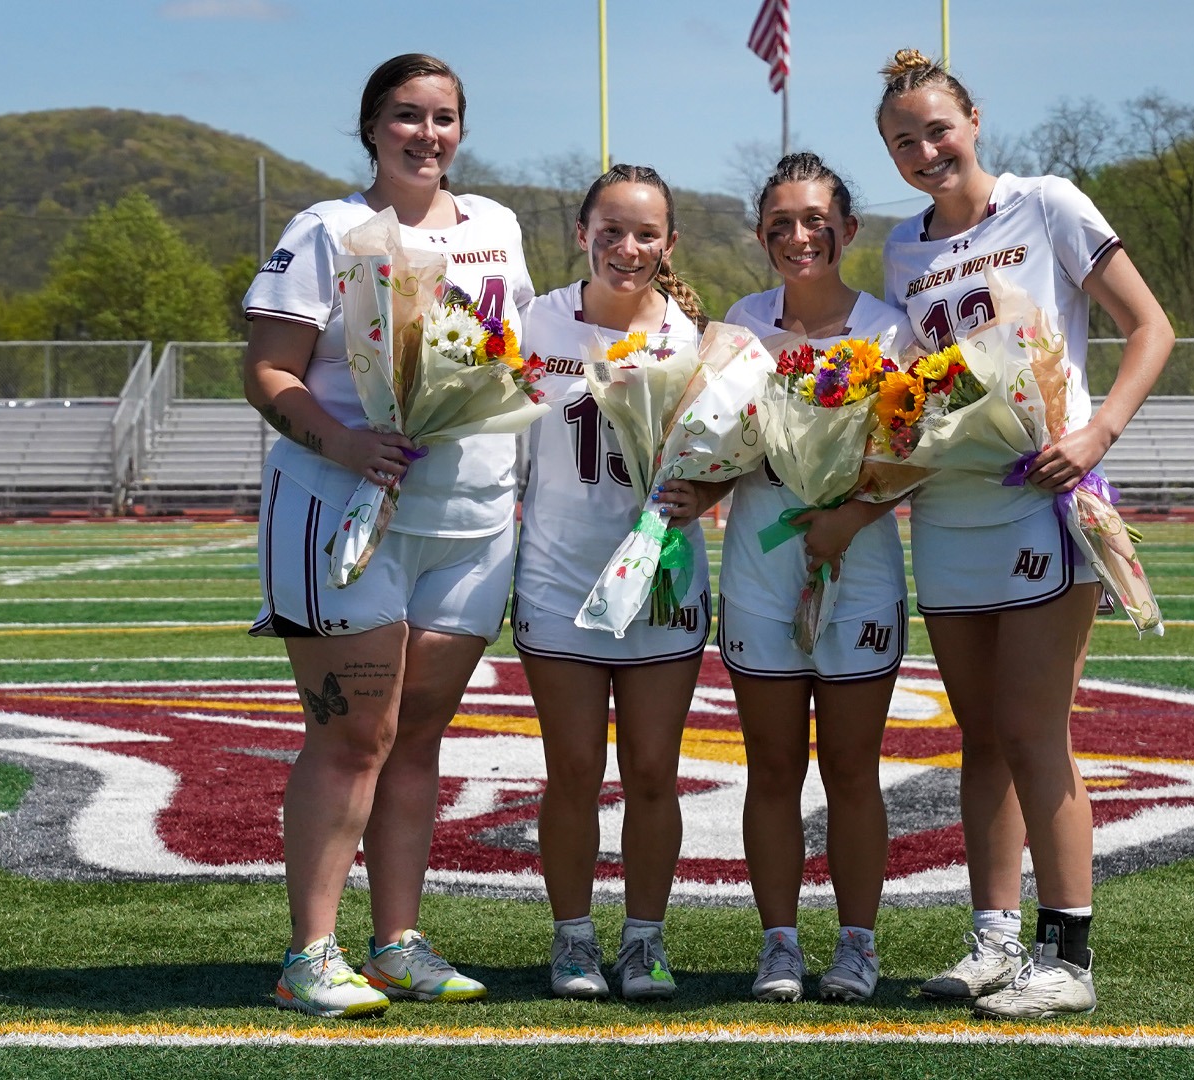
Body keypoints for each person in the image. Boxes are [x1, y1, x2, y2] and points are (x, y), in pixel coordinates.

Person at [873, 48, 1174, 1019]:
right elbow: (920, 389)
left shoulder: (1047, 203)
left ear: (974, 119)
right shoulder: (898, 251)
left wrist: (1095, 431)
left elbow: (1152, 328)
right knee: (983, 738)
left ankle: (1071, 955)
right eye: (903, 141)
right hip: (950, 515)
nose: (926, 150)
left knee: (1038, 731)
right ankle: (996, 939)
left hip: (1046, 498)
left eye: (937, 128)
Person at [242, 53, 534, 1017]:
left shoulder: (496, 226)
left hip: (472, 519)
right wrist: (347, 442)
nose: (427, 134)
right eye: (406, 116)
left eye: (444, 117)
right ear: (371, 126)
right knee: (353, 737)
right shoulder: (327, 230)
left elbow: (506, 365)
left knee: (418, 737)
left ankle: (399, 940)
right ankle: (309, 954)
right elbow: (270, 371)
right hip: (343, 512)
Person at [512, 164, 716, 1002]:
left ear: (669, 243)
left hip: (661, 580)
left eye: (645, 234)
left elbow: (728, 459)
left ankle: (643, 941)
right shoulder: (534, 321)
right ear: (581, 230)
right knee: (570, 771)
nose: (626, 248)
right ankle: (571, 940)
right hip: (559, 577)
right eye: (611, 229)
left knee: (653, 772)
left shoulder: (694, 338)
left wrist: (709, 491)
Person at [713, 153, 913, 1004]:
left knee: (853, 769)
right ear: (761, 236)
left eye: (815, 221)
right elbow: (715, 441)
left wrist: (849, 518)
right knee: (770, 767)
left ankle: (858, 946)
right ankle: (780, 944)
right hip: (760, 569)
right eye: (780, 224)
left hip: (861, 571)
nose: (799, 237)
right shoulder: (739, 325)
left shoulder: (892, 327)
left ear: (848, 230)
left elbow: (918, 456)